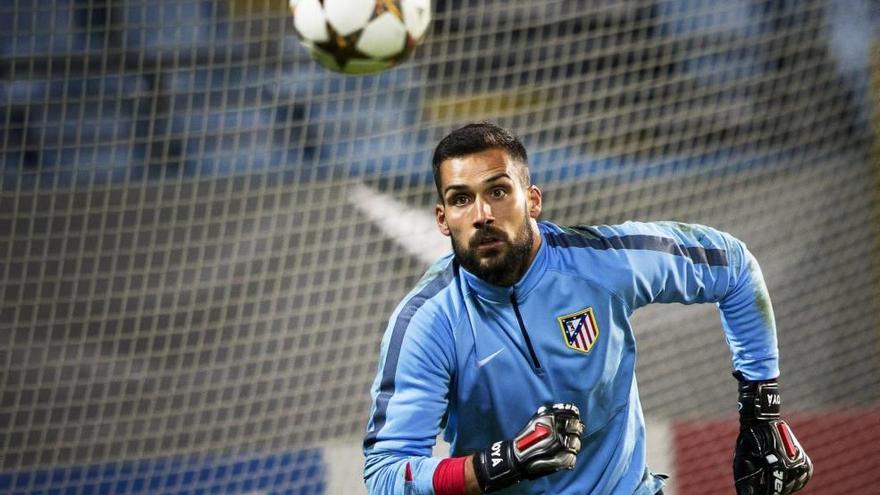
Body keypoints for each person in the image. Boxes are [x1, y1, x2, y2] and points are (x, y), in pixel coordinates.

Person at [362, 123, 812, 495]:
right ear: (443, 219)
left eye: (498, 192)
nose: (482, 213)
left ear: (532, 200)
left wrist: (761, 414)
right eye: (461, 199)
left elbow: (733, 267)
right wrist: (501, 463)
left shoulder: (604, 262)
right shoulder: (428, 322)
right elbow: (386, 475)